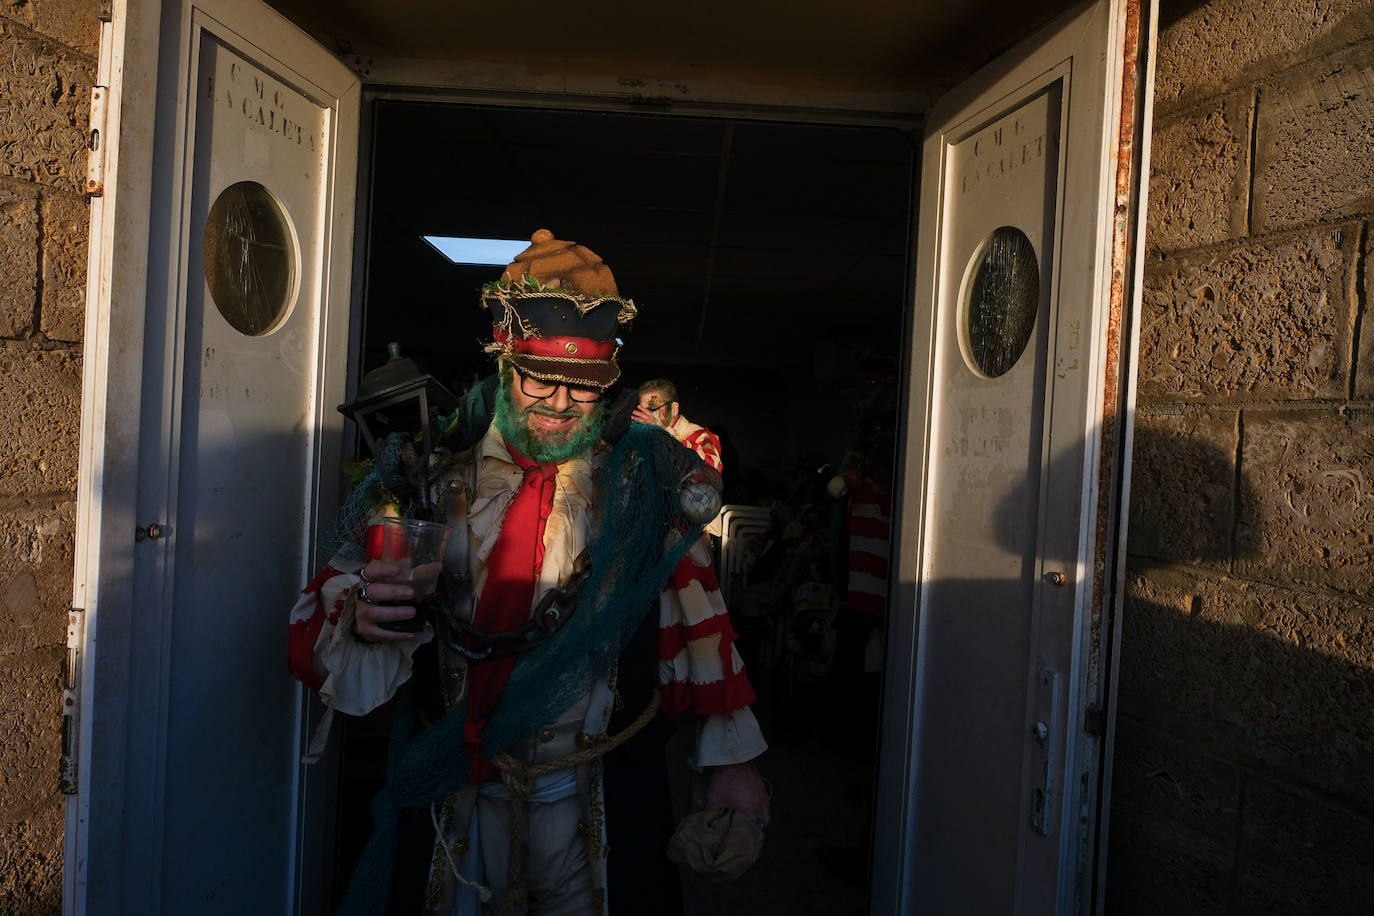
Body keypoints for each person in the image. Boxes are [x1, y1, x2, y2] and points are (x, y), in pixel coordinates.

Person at [287, 230, 768, 915]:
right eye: (543, 379)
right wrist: (363, 615)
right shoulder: (428, 474)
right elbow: (317, 619)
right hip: (456, 803)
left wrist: (733, 761)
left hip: (594, 799)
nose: (562, 405)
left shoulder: (643, 486)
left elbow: (702, 622)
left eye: (586, 388)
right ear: (504, 358)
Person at [633, 379, 723, 473]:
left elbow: (712, 470)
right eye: (641, 411)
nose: (645, 416)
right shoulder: (642, 437)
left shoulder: (698, 434)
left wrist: (664, 434)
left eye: (652, 409)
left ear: (674, 409)